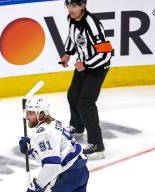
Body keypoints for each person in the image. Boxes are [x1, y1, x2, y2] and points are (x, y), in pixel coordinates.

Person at [59, 0, 113, 160]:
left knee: (86, 103)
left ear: (83, 6)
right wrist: (68, 53)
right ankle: (77, 126)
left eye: (74, 6)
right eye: (68, 6)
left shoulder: (92, 24)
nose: (70, 9)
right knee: (73, 95)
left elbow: (106, 53)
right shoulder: (71, 19)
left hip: (97, 68)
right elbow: (71, 36)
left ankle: (97, 145)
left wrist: (87, 64)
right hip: (83, 64)